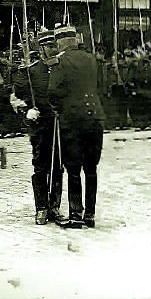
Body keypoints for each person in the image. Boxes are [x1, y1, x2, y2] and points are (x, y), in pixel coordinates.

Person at [47, 25, 105, 229]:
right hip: (95, 117)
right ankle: (90, 214)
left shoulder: (59, 61)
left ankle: (75, 215)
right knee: (91, 169)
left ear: (60, 42)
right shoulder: (91, 59)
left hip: (73, 120)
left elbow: (53, 91)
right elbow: (101, 85)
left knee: (73, 169)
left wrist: (61, 108)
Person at [13, 29, 65, 225]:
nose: (53, 50)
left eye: (55, 46)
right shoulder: (31, 71)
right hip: (40, 124)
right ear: (41, 49)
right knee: (41, 166)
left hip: (59, 125)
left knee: (58, 167)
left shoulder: (63, 69)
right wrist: (26, 111)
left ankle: (55, 206)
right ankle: (41, 207)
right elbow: (16, 97)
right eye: (49, 46)